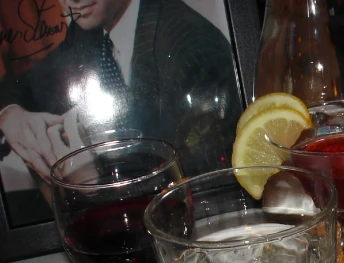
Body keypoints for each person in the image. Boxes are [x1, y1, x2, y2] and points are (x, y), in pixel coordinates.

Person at [0, 0, 242, 181]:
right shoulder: (85, 32)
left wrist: (93, 182)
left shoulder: (192, 50)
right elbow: (25, 85)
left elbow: (205, 186)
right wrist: (10, 116)